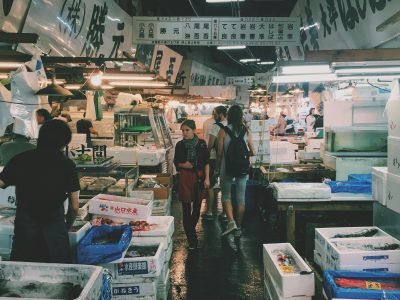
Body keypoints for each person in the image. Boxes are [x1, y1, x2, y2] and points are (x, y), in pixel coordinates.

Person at [0, 119, 80, 263]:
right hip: (55, 232)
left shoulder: (21, 160)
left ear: (40, 137)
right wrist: (66, 227)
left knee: (21, 276)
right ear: (65, 142)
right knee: (57, 279)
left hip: (25, 231)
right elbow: (74, 207)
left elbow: (1, 183)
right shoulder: (67, 165)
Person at [216, 105, 255, 239]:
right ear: (241, 116)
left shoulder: (223, 131)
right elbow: (253, 152)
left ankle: (231, 221)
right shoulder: (247, 131)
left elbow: (219, 154)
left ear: (229, 116)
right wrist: (243, 154)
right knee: (240, 198)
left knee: (226, 196)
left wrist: (216, 169)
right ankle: (238, 228)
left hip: (226, 168)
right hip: (243, 168)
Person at [174, 119, 210, 250]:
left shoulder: (201, 144)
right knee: (186, 207)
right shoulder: (179, 145)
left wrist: (207, 178)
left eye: (187, 130)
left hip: (199, 177)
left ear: (194, 130)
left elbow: (206, 162)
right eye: (183, 130)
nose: (184, 133)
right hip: (185, 177)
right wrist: (185, 165)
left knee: (197, 206)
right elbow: (176, 163)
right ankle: (192, 239)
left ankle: (191, 229)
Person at [202, 105, 227, 221]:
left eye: (215, 113)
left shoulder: (216, 126)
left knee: (211, 185)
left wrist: (205, 152)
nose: (213, 116)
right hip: (227, 160)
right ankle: (225, 214)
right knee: (225, 187)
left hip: (214, 158)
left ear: (220, 114)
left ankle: (209, 212)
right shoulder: (231, 125)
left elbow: (210, 145)